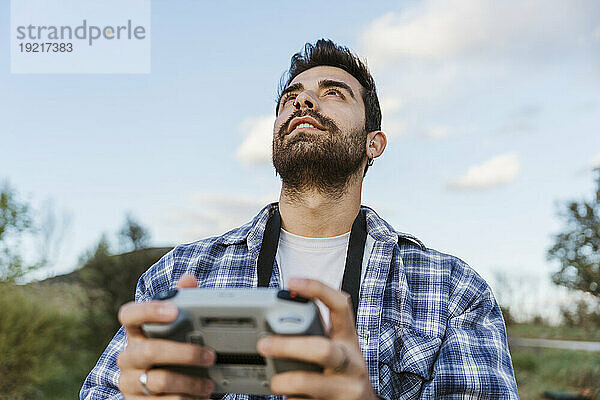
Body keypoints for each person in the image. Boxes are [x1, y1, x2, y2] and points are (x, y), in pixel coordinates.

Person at [80, 39, 519, 400]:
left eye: (333, 93)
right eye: (291, 96)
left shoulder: (454, 291)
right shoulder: (178, 274)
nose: (304, 99)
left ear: (374, 144)